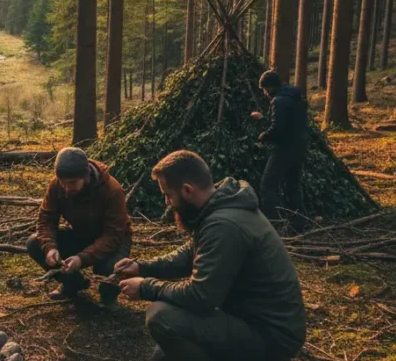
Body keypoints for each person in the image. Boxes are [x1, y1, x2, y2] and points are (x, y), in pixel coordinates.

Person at [115, 150, 306, 361]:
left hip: (271, 337)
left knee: (161, 317)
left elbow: (201, 295)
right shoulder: (219, 207)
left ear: (187, 190)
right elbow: (189, 254)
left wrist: (145, 287)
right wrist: (142, 267)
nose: (167, 203)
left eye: (168, 195)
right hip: (248, 321)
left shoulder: (223, 225)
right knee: (164, 354)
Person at [25, 147, 132, 304]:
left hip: (113, 241)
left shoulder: (111, 189)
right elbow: (46, 219)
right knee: (35, 243)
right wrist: (50, 248)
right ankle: (73, 284)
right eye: (63, 183)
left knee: (109, 269)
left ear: (86, 176)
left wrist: (81, 258)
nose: (67, 188)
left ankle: (108, 296)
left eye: (72, 183)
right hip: (80, 234)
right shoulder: (56, 186)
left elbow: (113, 235)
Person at [251, 70, 308, 231]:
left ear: (269, 87)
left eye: (264, 89)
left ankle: (273, 225)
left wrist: (263, 136)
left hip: (284, 149)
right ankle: (298, 224)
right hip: (299, 147)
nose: (264, 93)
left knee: (268, 185)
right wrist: (263, 119)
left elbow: (278, 129)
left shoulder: (278, 101)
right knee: (293, 185)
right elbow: (287, 123)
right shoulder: (295, 97)